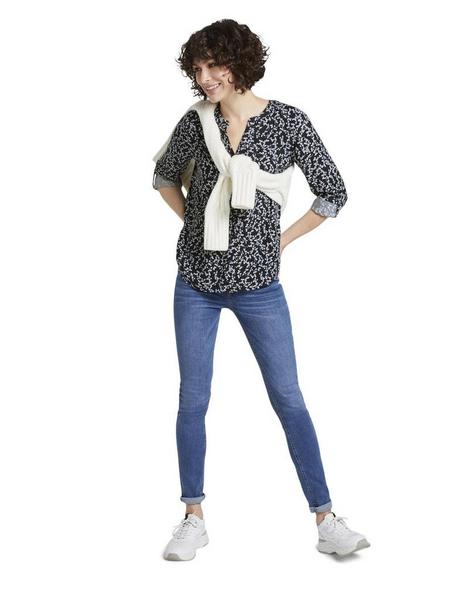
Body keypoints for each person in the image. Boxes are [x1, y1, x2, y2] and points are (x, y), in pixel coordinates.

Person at [152, 19, 370, 561]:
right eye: (197, 69)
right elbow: (163, 178)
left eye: (214, 65)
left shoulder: (287, 121)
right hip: (196, 282)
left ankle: (326, 519)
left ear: (240, 63)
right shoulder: (196, 121)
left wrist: (281, 240)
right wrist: (195, 225)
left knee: (288, 398)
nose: (205, 78)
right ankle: (192, 518)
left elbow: (333, 192)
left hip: (259, 285)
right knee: (193, 399)